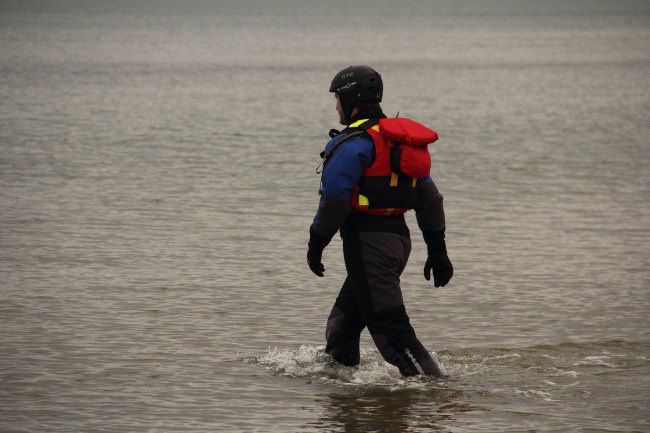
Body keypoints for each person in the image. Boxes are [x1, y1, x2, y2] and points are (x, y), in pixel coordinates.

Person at [307, 65, 454, 377]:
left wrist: (316, 242)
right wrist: (437, 250)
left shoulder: (353, 144)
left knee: (393, 336)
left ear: (351, 99)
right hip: (398, 240)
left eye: (337, 98)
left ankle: (440, 394)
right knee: (343, 326)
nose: (335, 105)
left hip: (368, 244)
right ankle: (340, 394)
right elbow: (430, 200)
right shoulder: (395, 141)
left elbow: (334, 200)